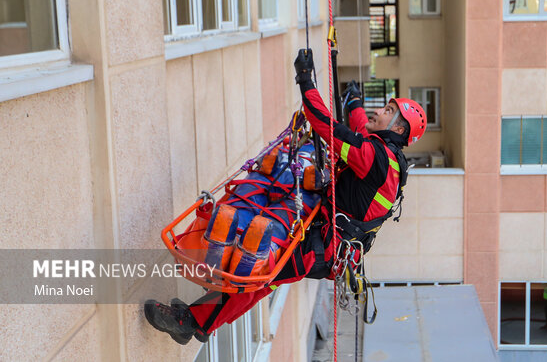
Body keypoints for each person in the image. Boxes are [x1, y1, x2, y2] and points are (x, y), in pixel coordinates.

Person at [143, 49, 427, 344]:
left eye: (388, 111)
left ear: (398, 128)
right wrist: (353, 99)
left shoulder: (377, 158)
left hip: (323, 247)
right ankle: (203, 309)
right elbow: (357, 126)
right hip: (328, 241)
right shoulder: (388, 158)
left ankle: (193, 322)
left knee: (261, 275)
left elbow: (328, 128)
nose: (379, 111)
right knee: (261, 271)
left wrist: (305, 81)